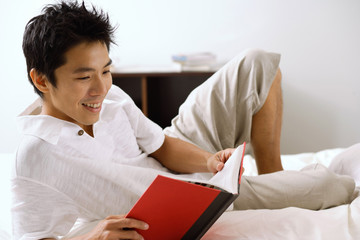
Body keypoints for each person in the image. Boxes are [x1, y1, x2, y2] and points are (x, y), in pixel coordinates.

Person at [12, 1, 355, 240]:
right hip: (183, 199)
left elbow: (160, 144)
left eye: (107, 70)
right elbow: (31, 237)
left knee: (258, 64)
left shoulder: (111, 98)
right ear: (42, 80)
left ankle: (273, 173)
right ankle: (286, 184)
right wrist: (90, 237)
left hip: (177, 152)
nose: (102, 88)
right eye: (85, 77)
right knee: (332, 187)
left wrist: (207, 159)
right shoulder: (37, 155)